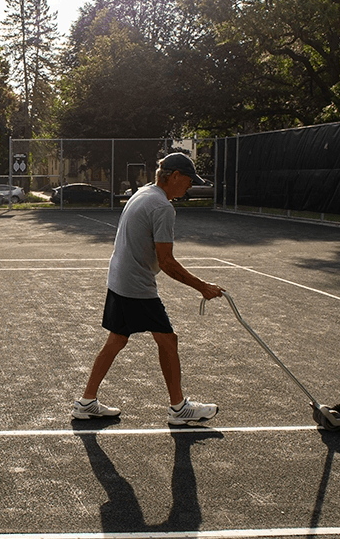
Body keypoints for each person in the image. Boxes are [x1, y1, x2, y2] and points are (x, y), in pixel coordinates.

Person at [71, 152, 226, 425]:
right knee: (168, 340)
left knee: (117, 339)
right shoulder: (162, 207)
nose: (190, 186)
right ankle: (179, 408)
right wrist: (202, 286)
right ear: (175, 176)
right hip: (135, 284)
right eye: (189, 180)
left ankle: (86, 403)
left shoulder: (144, 193)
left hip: (119, 278)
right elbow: (166, 261)